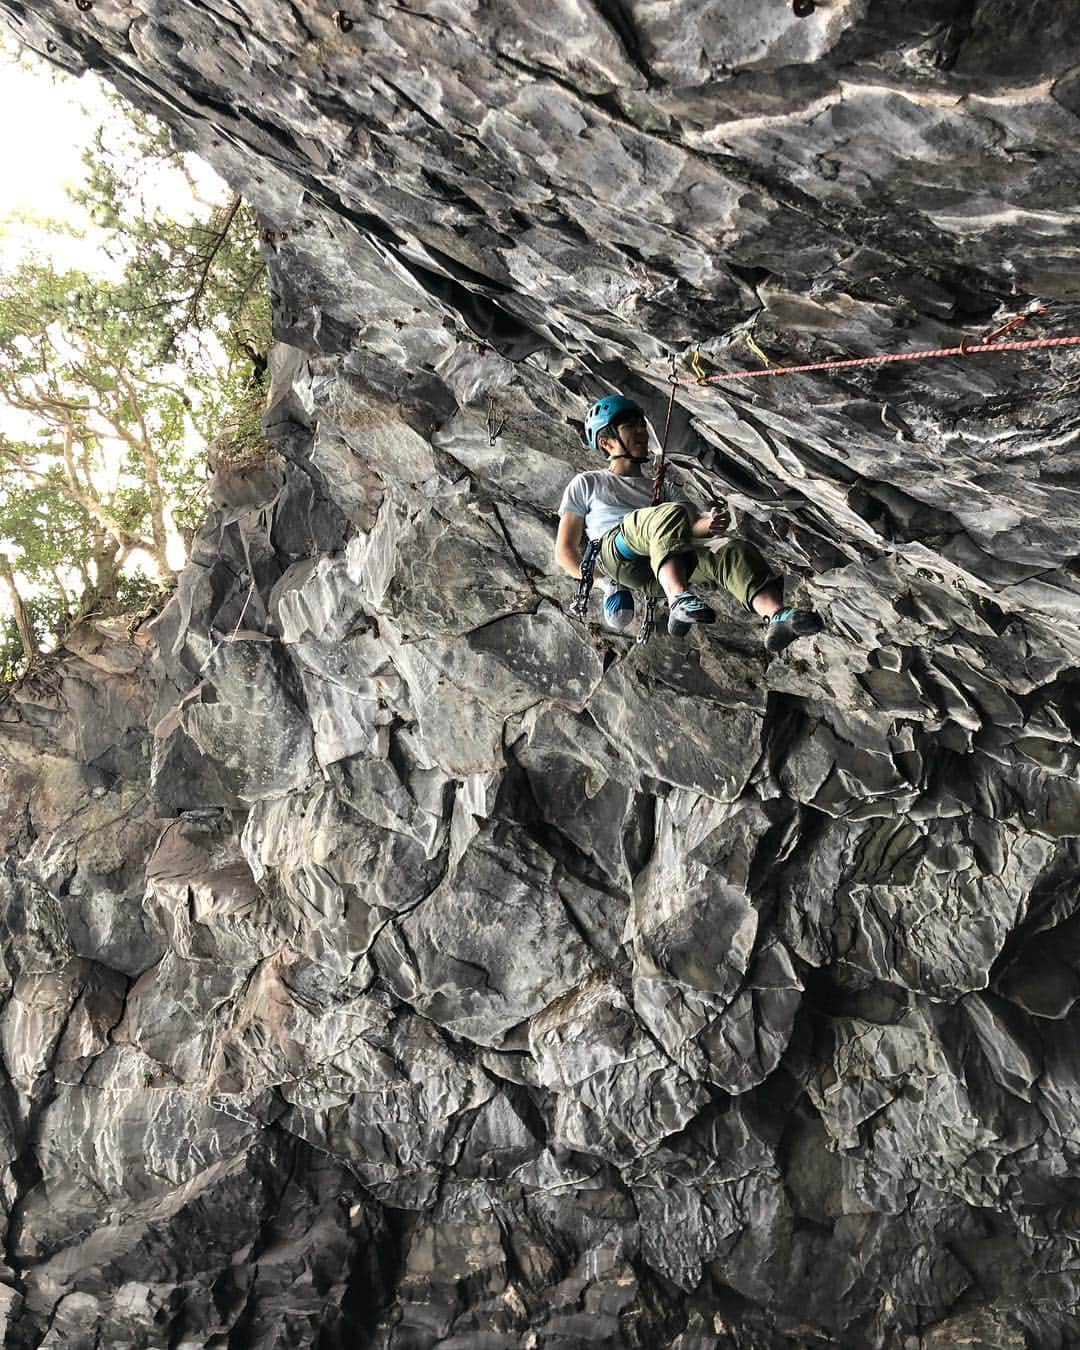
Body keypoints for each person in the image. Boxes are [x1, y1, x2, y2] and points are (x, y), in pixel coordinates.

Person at [555, 393, 823, 652]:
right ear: (607, 443)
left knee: (730, 549)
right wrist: (606, 584)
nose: (640, 431)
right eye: (629, 426)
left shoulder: (663, 488)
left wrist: (710, 524)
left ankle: (776, 616)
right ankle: (678, 599)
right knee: (662, 515)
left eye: (641, 424)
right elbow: (565, 551)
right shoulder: (588, 483)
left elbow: (688, 525)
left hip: (653, 568)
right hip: (616, 552)